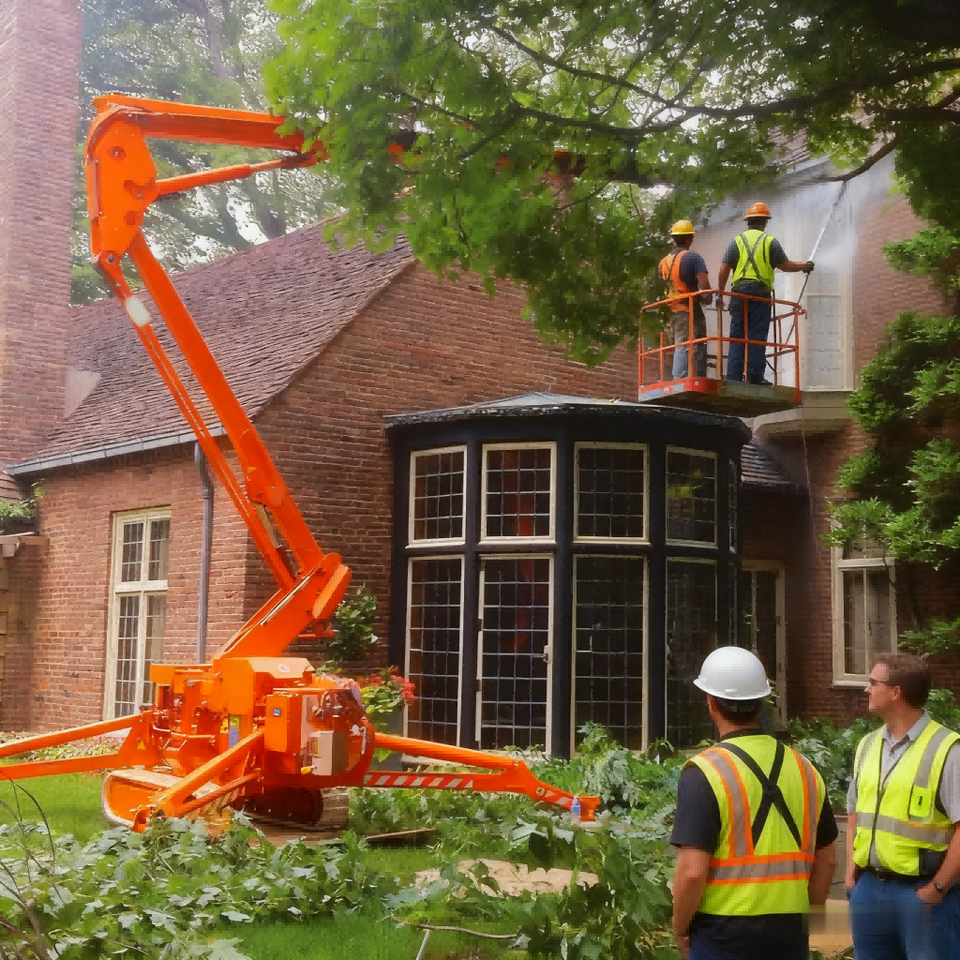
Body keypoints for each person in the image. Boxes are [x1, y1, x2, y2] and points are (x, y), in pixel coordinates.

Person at [671, 646, 838, 960]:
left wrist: (680, 928)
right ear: (761, 703)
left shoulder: (704, 772)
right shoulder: (805, 769)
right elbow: (827, 860)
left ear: (710, 702)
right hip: (789, 935)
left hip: (723, 936)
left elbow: (692, 872)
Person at [845, 653, 960, 960]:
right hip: (868, 889)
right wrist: (851, 874)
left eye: (873, 682)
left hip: (921, 894)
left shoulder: (948, 750)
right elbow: (855, 812)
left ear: (896, 692)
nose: (867, 689)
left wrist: (937, 889)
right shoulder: (867, 745)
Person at [716, 202, 814, 384]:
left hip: (739, 294)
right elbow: (786, 266)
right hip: (760, 294)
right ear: (765, 222)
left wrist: (720, 294)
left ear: (748, 222)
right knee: (757, 336)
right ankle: (755, 377)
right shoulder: (770, 242)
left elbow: (724, 269)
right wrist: (805, 265)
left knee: (737, 336)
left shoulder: (737, 241)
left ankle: (733, 377)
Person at [658, 219, 712, 379]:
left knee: (679, 343)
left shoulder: (663, 262)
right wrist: (708, 298)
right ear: (689, 239)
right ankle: (685, 377)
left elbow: (660, 288)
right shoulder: (693, 258)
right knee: (692, 342)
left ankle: (683, 376)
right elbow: (705, 286)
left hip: (670, 309)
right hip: (688, 309)